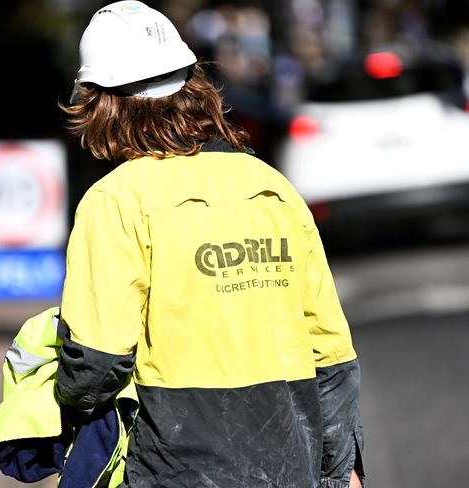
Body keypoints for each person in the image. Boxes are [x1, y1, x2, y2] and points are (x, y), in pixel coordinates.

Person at [56, 2, 364, 487]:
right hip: (291, 463)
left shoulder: (116, 200)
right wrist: (341, 468)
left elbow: (95, 365)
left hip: (178, 468)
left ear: (102, 104)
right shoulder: (271, 187)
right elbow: (331, 353)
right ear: (194, 87)